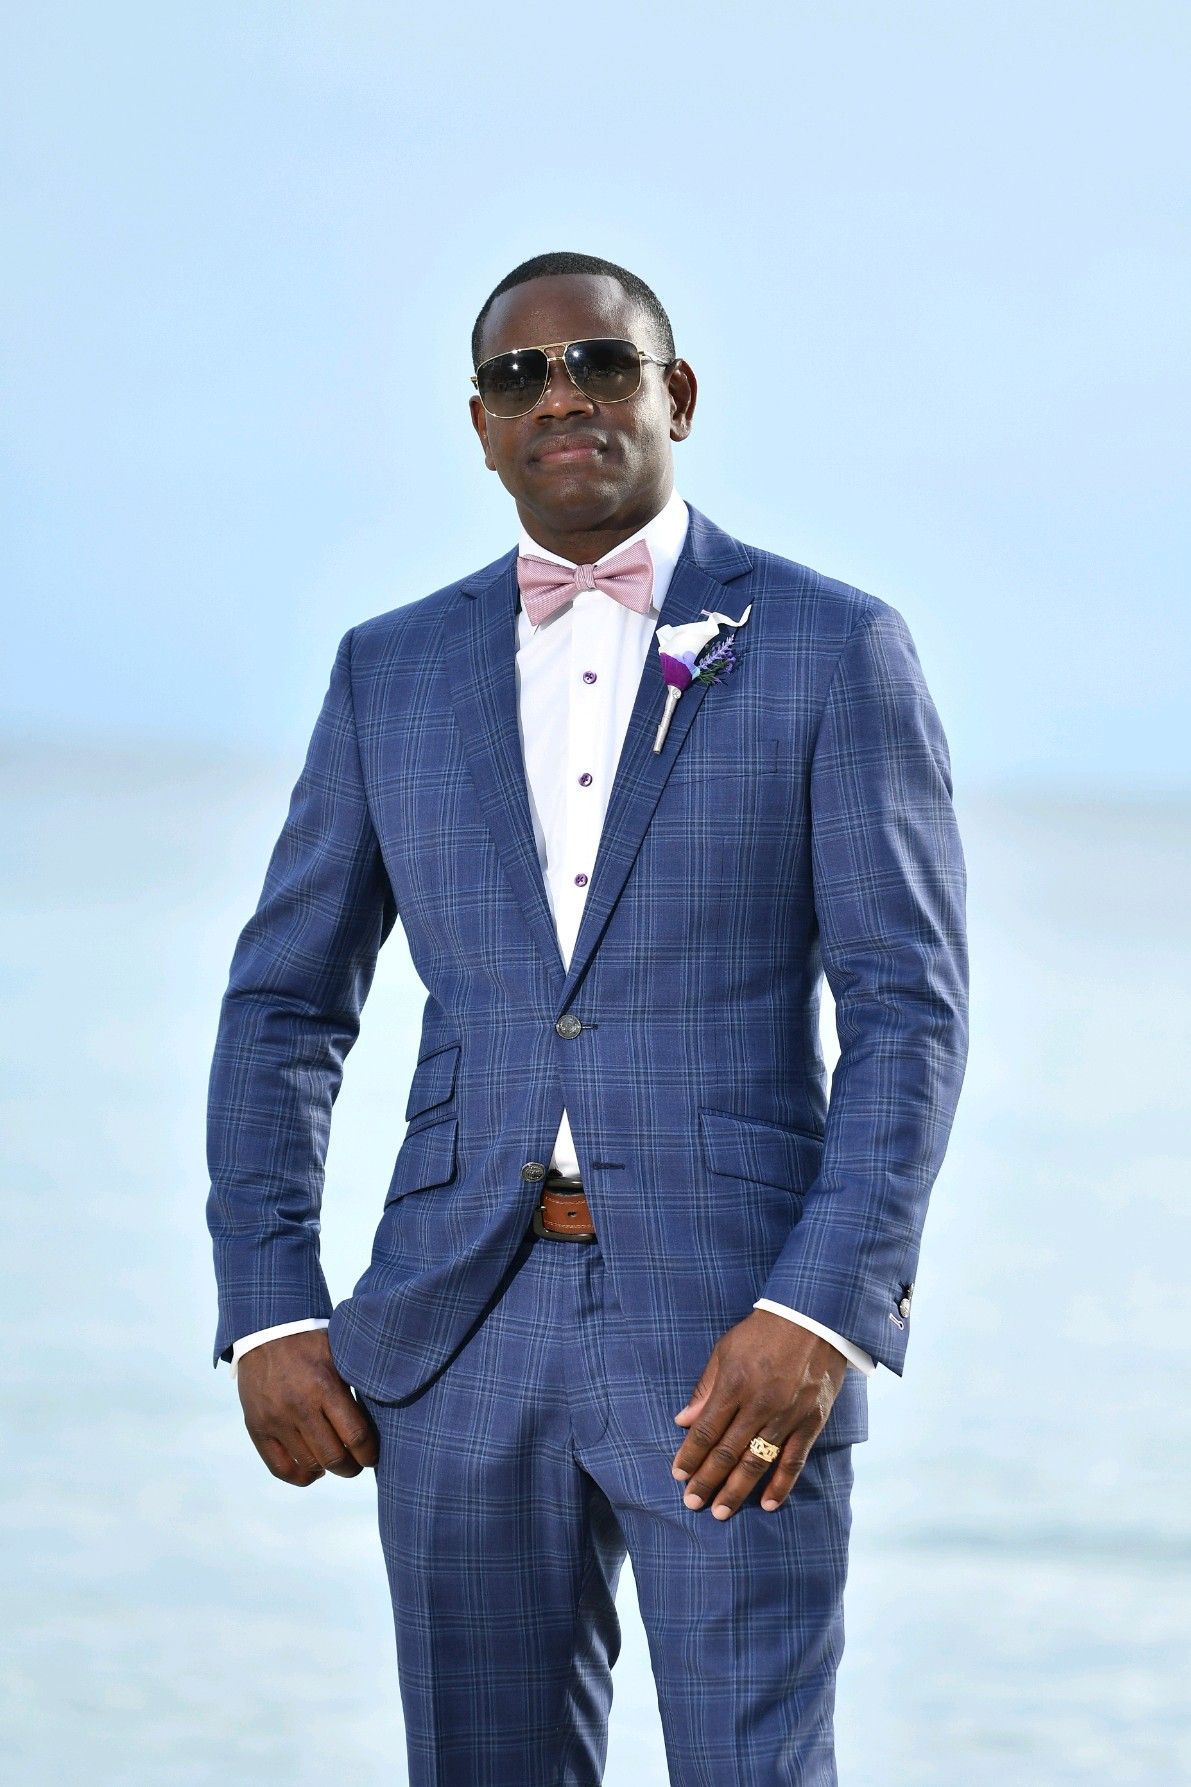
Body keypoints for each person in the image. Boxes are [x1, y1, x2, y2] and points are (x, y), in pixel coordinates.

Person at [206, 250, 969, 1785]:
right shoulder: (388, 672)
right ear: (481, 427)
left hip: (732, 1336)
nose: (560, 396)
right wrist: (271, 1304)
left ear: (673, 395)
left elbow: (909, 1013)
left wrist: (822, 1312)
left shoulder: (834, 648)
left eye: (601, 365)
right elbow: (285, 1006)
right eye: (519, 376)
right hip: (455, 1332)